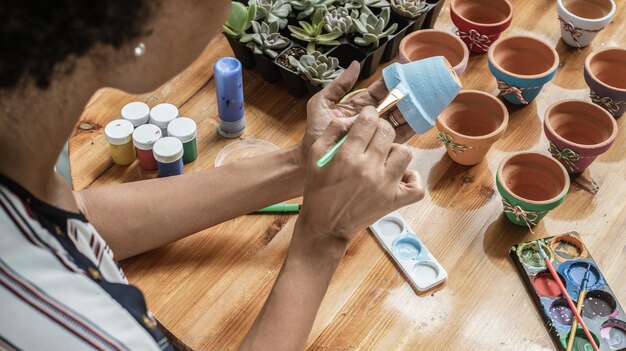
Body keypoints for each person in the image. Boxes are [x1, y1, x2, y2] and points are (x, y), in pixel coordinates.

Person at [0, 1, 424, 350]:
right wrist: (324, 236)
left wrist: (301, 164)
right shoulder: (70, 330)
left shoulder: (19, 152)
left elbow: (76, 216)